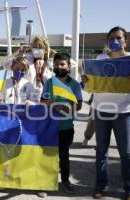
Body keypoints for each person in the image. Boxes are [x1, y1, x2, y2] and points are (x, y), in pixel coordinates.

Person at [82, 26, 130, 200]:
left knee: (126, 152)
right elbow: (91, 89)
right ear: (107, 40)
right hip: (101, 110)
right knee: (101, 151)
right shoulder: (100, 58)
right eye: (112, 38)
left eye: (119, 38)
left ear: (125, 41)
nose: (115, 41)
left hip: (124, 112)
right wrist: (86, 82)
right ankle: (100, 184)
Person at [39, 53, 83, 197]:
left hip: (66, 127)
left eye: (62, 64)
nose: (59, 67)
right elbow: (43, 102)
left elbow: (79, 105)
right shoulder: (49, 83)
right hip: (49, 127)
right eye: (57, 64)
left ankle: (65, 181)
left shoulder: (75, 84)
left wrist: (69, 109)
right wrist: (54, 105)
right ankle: (45, 183)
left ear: (69, 66)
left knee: (64, 156)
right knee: (47, 156)